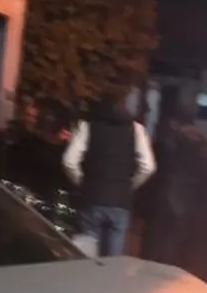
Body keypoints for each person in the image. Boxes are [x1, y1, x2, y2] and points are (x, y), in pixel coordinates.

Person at [62, 88, 156, 257]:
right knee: (112, 263)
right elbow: (148, 166)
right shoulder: (136, 130)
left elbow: (69, 161)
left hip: (92, 198)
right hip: (120, 201)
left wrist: (82, 181)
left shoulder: (88, 127)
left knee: (86, 260)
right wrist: (130, 185)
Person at [142, 98, 207, 273]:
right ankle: (163, 276)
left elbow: (155, 166)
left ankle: (148, 272)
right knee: (173, 240)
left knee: (154, 238)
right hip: (186, 199)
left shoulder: (168, 140)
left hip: (163, 193)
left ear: (174, 122)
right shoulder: (203, 145)